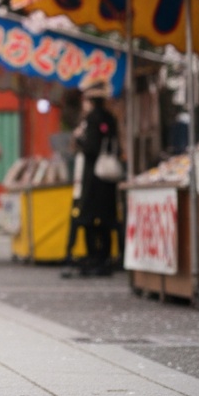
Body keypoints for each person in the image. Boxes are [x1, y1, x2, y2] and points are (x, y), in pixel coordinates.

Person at [68, 80, 121, 277]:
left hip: (93, 179)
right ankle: (105, 257)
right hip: (109, 178)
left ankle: (94, 257)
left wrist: (80, 140)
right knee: (107, 220)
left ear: (89, 100)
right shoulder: (110, 118)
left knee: (89, 220)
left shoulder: (91, 119)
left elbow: (90, 148)